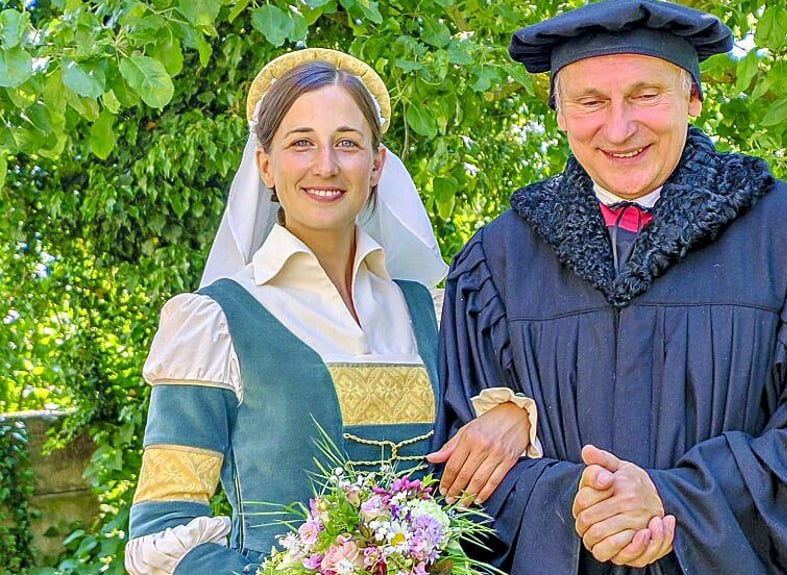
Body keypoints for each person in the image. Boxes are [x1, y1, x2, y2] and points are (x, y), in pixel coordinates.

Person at [435, 0, 787, 573]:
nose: (619, 128)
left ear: (694, 99)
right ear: (558, 114)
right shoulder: (497, 264)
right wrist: (573, 503)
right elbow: (463, 478)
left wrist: (673, 502)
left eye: (645, 96)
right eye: (590, 102)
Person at [125, 48, 536, 575]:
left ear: (376, 164)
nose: (326, 165)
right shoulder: (214, 323)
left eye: (347, 143)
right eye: (301, 143)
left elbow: (498, 461)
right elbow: (162, 531)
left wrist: (513, 417)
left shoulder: (433, 313)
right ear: (266, 165)